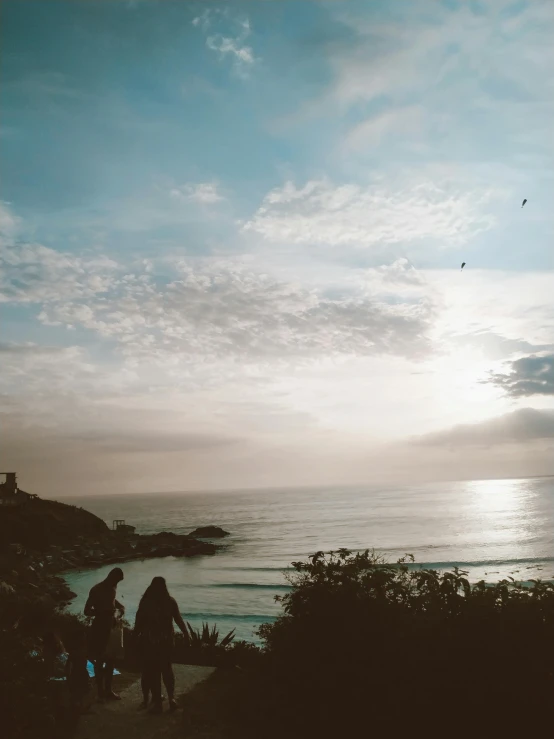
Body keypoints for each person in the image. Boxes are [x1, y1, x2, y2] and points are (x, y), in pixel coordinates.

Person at [134, 576, 190, 713]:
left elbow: (138, 623)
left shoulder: (146, 602)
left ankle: (158, 702)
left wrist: (135, 638)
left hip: (150, 642)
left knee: (153, 672)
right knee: (166, 670)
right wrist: (186, 634)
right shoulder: (169, 602)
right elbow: (178, 619)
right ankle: (170, 699)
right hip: (165, 641)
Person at [84, 567, 125, 701]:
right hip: (99, 628)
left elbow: (112, 601)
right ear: (112, 577)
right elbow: (87, 610)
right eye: (117, 581)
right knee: (100, 659)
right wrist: (103, 612)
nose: (117, 584)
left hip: (111, 628)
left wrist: (120, 608)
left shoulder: (113, 588)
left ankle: (108, 690)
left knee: (111, 660)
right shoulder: (96, 590)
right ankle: (101, 691)